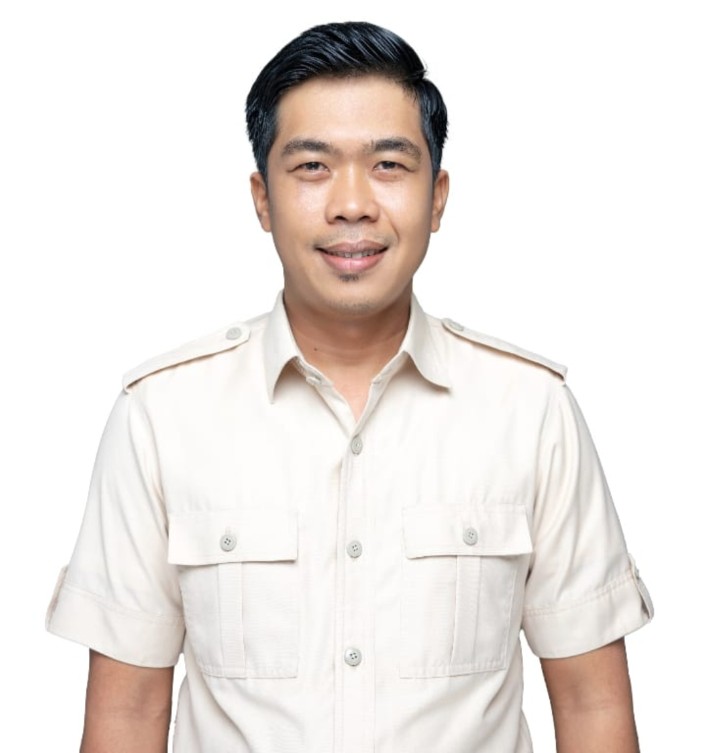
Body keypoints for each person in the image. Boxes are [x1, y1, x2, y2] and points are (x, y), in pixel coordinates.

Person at [46, 20, 653, 753]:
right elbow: (127, 715)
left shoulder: (531, 412)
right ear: (262, 199)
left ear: (437, 196)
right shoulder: (162, 417)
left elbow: (591, 704)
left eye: (389, 164)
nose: (352, 204)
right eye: (312, 167)